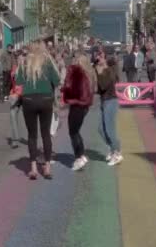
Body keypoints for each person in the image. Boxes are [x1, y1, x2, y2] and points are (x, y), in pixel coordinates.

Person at [16, 42, 60, 180]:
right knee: (45, 134)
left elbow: (18, 81)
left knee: (32, 135)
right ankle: (47, 167)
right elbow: (57, 80)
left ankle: (34, 168)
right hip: (46, 99)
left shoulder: (24, 63)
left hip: (29, 100)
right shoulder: (47, 61)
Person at [62, 53, 95, 171]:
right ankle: (81, 154)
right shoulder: (89, 73)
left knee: (73, 131)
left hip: (78, 104)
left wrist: (65, 87)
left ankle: (79, 156)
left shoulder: (78, 73)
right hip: (84, 106)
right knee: (76, 131)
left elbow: (73, 89)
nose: (74, 61)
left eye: (76, 60)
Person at [96, 52, 123, 166]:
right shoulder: (104, 71)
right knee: (101, 129)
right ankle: (114, 149)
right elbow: (98, 89)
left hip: (110, 102)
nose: (98, 58)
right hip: (105, 101)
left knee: (109, 129)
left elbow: (103, 85)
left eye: (101, 57)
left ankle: (116, 153)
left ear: (106, 60)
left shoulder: (109, 71)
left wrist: (98, 72)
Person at [8, 51, 25, 148]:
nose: (20, 60)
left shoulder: (28, 68)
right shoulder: (15, 68)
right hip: (15, 95)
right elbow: (13, 77)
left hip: (25, 95)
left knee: (29, 119)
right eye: (19, 59)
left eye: (22, 59)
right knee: (12, 115)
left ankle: (33, 140)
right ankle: (14, 140)